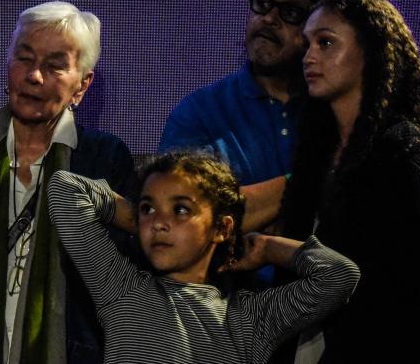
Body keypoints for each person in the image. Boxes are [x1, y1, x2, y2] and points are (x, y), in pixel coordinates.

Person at [278, 0, 420, 362]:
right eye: (307, 44)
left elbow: (405, 288)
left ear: (371, 51)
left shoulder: (402, 152)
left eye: (326, 42)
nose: (309, 56)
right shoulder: (318, 153)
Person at [0, 1, 135, 364]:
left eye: (54, 66)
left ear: (82, 84)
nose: (34, 76)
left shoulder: (104, 158)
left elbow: (118, 275)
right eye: (24, 59)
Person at [45, 152, 360, 363]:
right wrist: (137, 220)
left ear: (222, 228)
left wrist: (265, 247)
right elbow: (64, 188)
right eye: (148, 207)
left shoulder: (249, 319)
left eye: (181, 210)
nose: (160, 222)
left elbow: (339, 275)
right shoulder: (122, 290)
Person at [159, 0, 335, 211]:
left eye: (291, 11)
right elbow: (180, 215)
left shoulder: (338, 111)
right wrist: (310, 182)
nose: (269, 18)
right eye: (263, 2)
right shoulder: (200, 112)